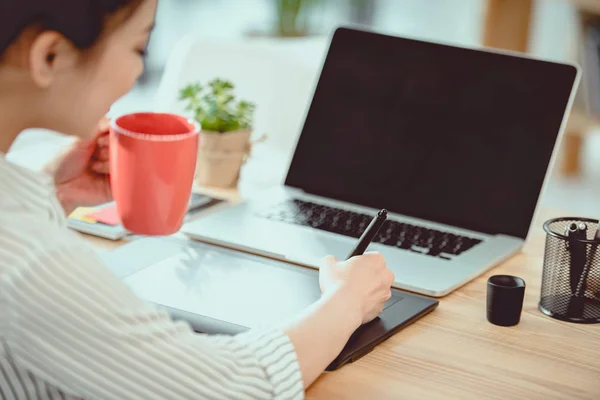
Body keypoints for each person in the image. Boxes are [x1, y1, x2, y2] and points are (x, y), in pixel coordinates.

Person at [0, 1, 395, 399]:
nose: (138, 72)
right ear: (49, 56)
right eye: (139, 48)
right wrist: (347, 301)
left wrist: (52, 192)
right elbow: (233, 387)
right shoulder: (29, 260)